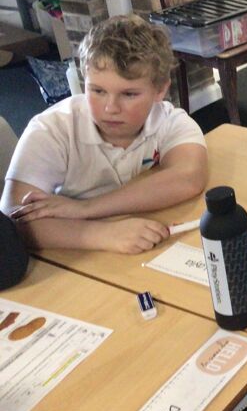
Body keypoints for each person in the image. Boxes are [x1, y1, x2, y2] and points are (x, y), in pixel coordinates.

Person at [0, 14, 208, 254]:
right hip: (71, 252)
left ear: (160, 90)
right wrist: (101, 234)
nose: (110, 108)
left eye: (129, 94)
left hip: (128, 237)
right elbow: (12, 218)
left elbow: (188, 177)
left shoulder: (170, 120)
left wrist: (85, 208)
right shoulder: (52, 129)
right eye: (97, 91)